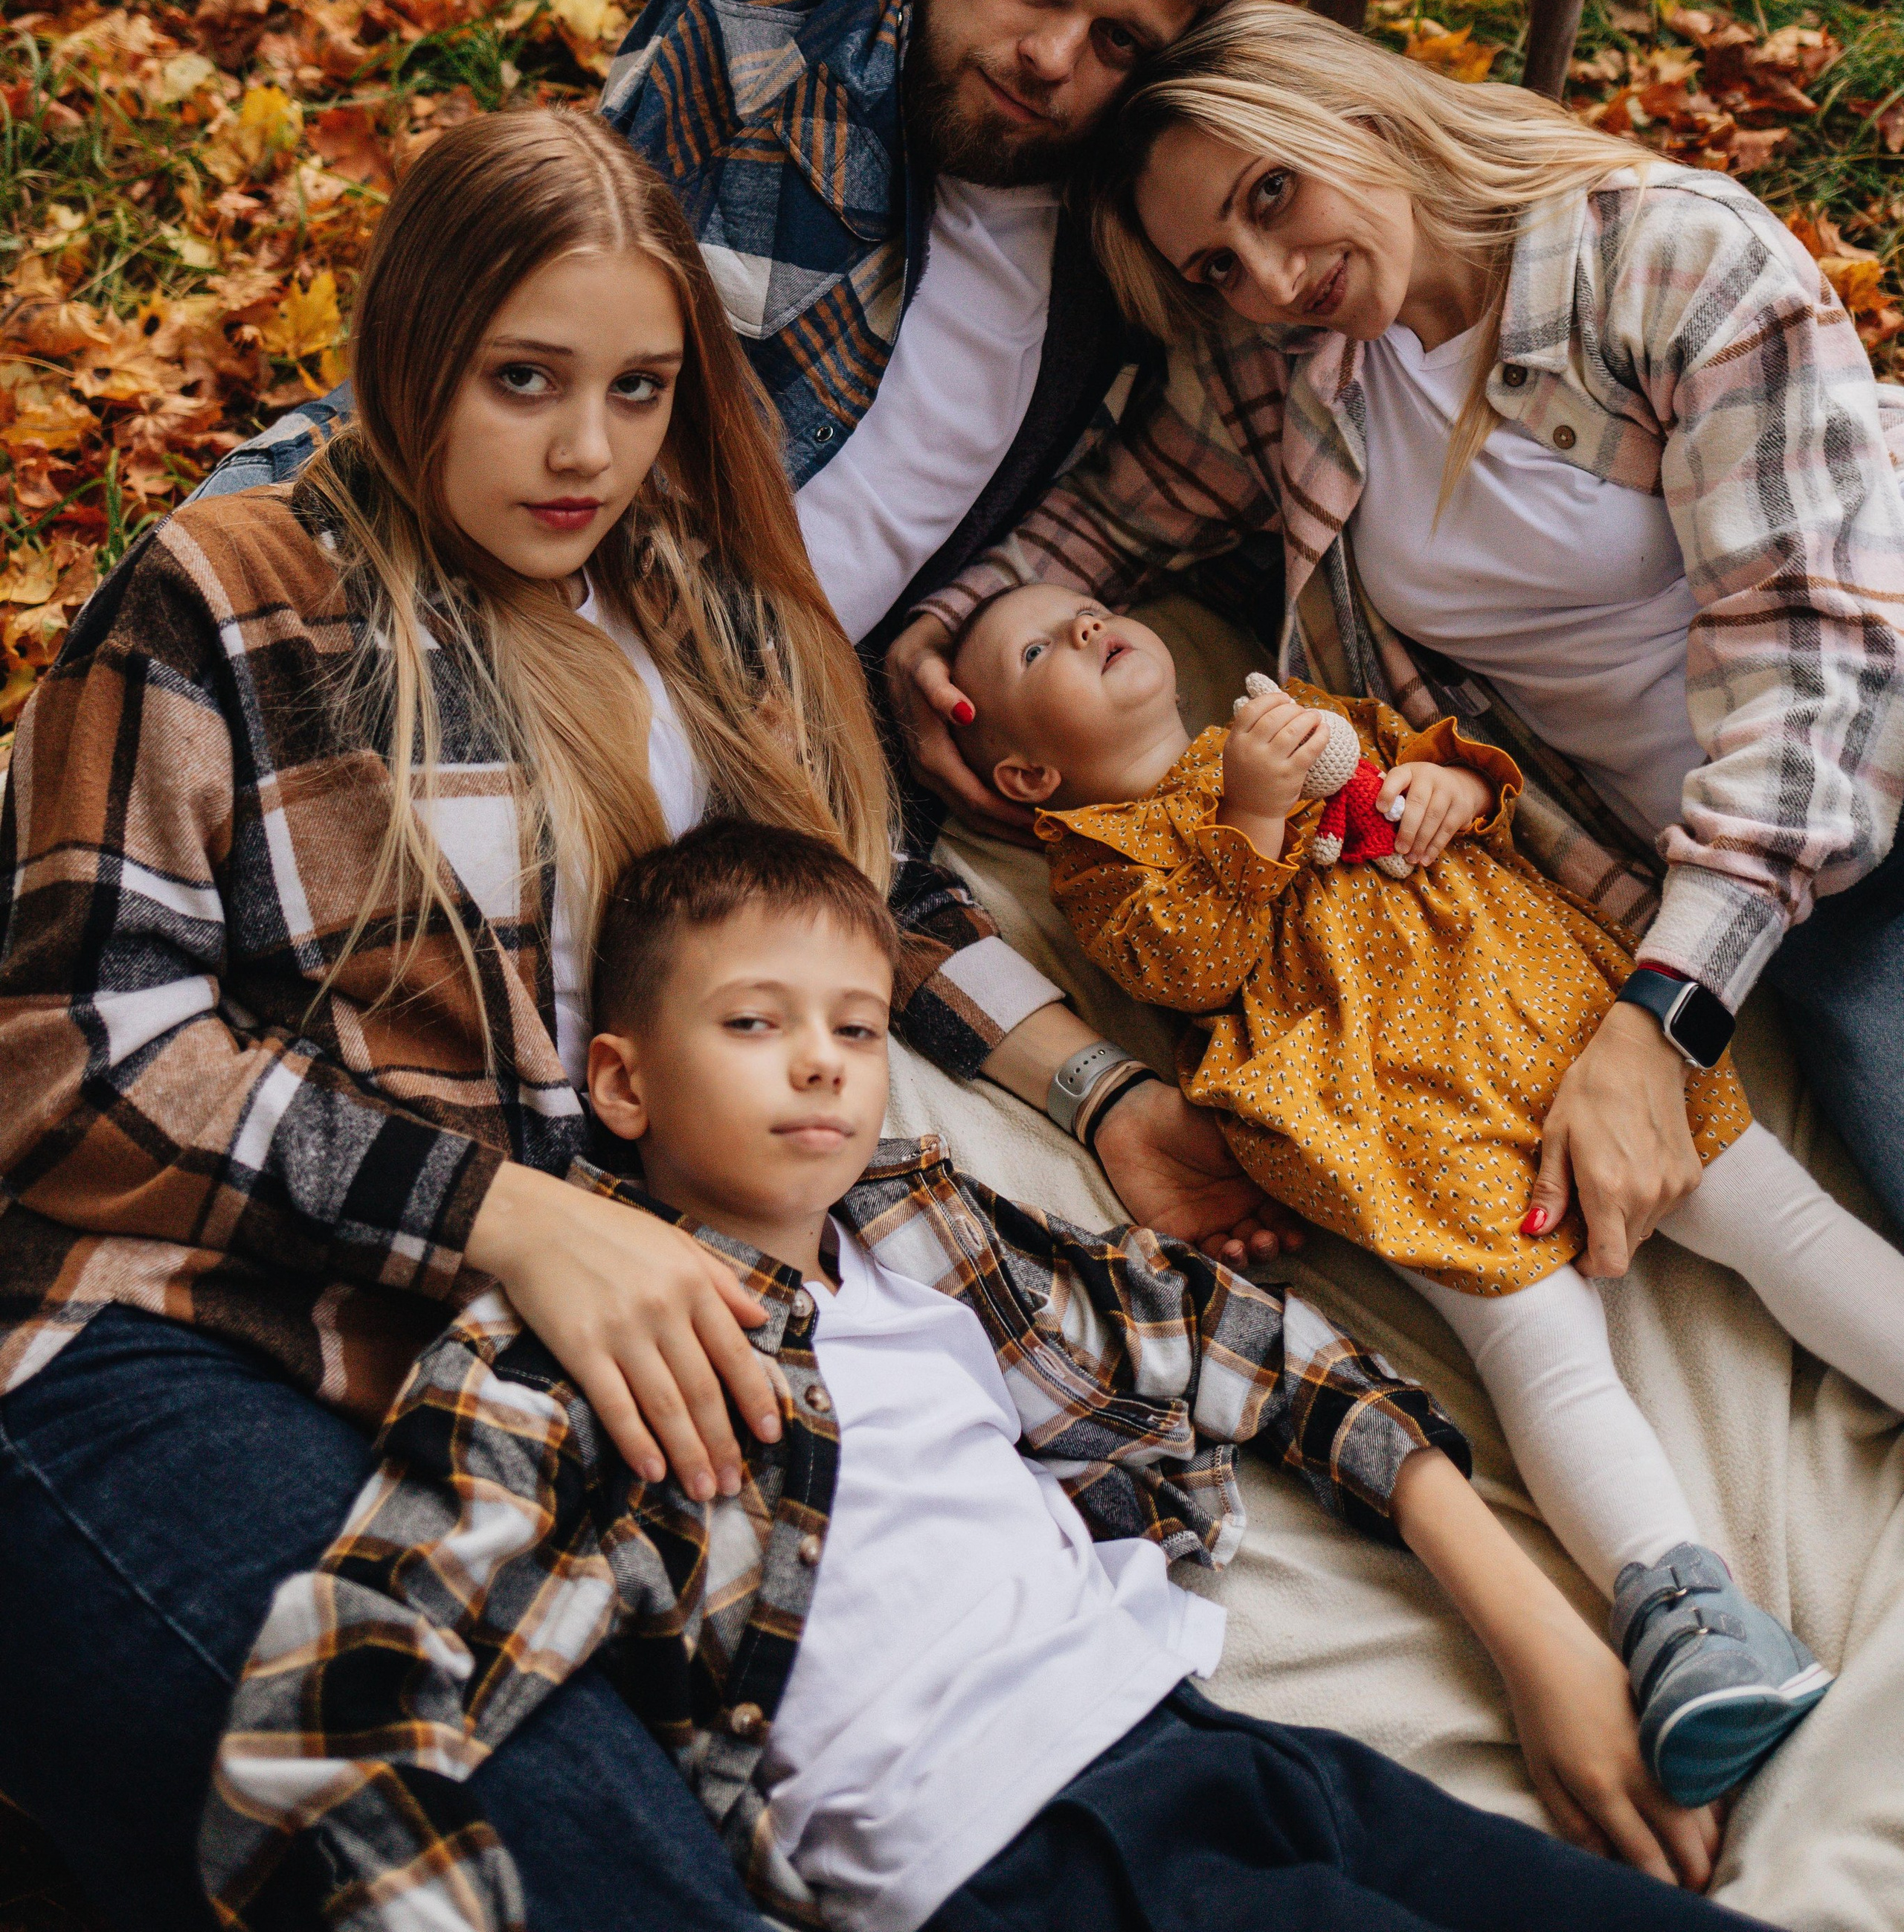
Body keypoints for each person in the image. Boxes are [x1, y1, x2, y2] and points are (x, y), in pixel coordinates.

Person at [193, 0, 1429, 1257]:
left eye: (1116, 47)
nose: (1048, 58)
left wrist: (1112, 1102)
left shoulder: (1103, 321)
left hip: (648, 787)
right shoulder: (798, 19)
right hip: (391, 573)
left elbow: (851, 859)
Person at [203, 821, 1752, 1932]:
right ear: (618, 1079)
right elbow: (339, 1698)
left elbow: (1235, 1343)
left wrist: (1536, 1641)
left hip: (1207, 1742)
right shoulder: (544, 1354)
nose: (821, 1062)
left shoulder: (916, 1226)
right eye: (753, 1023)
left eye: (857, 1027)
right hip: (1002, 1857)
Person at [0, 111, 906, 1931]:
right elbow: (64, 1052)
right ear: (415, 347)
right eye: (523, 380)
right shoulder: (233, 595)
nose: (588, 451)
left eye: (641, 391)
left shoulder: (700, 617)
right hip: (182, 1339)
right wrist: (501, 1211)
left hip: (511, 1407)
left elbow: (863, 921)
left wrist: (1097, 1088)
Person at [892, 1, 1904, 1274]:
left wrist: (1661, 1019)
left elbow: (1818, 679)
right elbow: (1117, 516)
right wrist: (940, 630)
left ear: (1353, 110)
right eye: (1215, 266)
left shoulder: (1670, 259)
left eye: (1273, 194)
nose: (1265, 281)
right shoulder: (1292, 365)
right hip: (1749, 903)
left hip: (1853, 791)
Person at [948, 580, 1904, 1803]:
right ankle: (1683, 1606)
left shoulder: (1301, 705)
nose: (1086, 627)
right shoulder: (1098, 854)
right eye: (1041, 646)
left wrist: (1450, 792)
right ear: (1030, 778)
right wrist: (1247, 810)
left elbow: (1469, 781)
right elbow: (1185, 967)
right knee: (1544, 1352)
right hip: (1385, 1115)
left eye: (1085, 609)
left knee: (1780, 1221)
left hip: (1548, 1015)